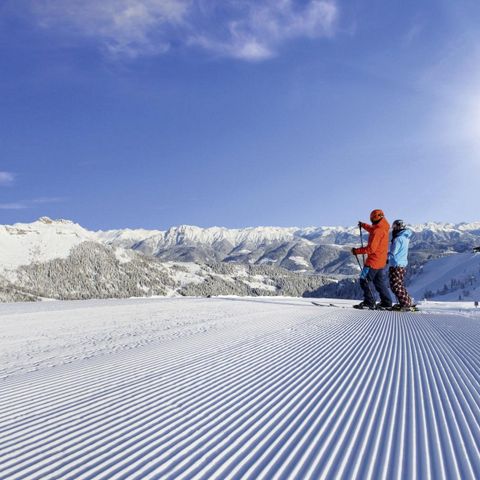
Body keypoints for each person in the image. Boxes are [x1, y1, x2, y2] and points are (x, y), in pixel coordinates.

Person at [351, 209, 392, 309]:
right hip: (381, 261)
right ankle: (387, 303)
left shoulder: (378, 230)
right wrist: (364, 225)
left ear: (374, 218)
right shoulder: (383, 227)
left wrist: (357, 251)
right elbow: (373, 229)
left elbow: (371, 249)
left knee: (364, 280)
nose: (371, 221)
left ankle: (369, 302)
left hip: (373, 261)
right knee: (379, 282)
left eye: (371, 219)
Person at [388, 219, 414, 310]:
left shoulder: (398, 239)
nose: (393, 229)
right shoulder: (405, 238)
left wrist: (386, 257)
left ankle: (405, 303)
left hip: (396, 265)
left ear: (399, 227)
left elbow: (393, 252)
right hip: (402, 264)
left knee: (395, 285)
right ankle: (407, 301)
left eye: (395, 227)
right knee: (399, 285)